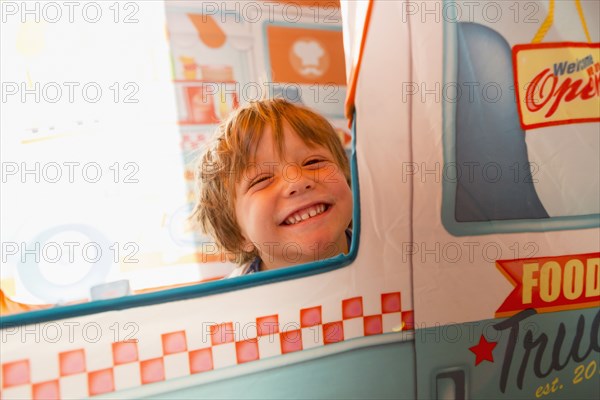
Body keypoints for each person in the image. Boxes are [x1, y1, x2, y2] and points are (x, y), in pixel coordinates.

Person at [191, 98, 353, 276]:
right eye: (262, 179)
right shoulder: (235, 301)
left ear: (345, 174)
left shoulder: (387, 252)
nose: (297, 181)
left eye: (313, 162)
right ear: (237, 234)